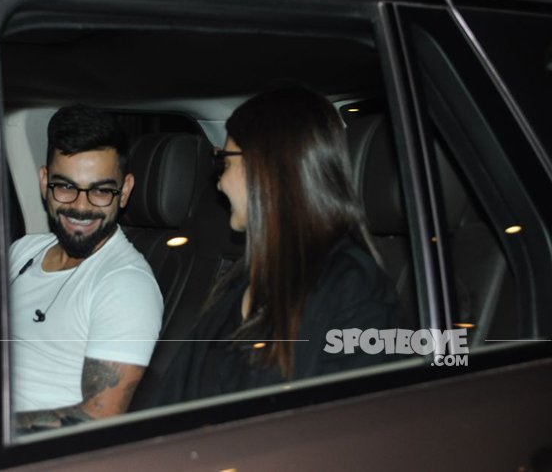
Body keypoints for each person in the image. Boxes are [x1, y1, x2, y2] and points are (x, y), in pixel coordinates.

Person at [153, 86, 400, 404]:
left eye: (224, 163)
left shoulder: (353, 289)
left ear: (264, 167)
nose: (219, 182)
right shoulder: (242, 281)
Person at [9, 105, 163, 432]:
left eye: (101, 191)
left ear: (125, 191)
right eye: (66, 186)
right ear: (44, 182)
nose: (81, 206)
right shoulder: (22, 251)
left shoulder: (125, 284)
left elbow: (100, 417)